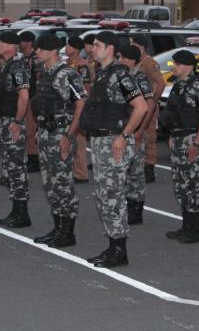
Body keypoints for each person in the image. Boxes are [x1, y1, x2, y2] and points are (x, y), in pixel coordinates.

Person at [79, 31, 148, 268]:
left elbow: (141, 106)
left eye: (97, 45)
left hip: (113, 142)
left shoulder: (120, 75)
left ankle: (119, 251)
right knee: (104, 196)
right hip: (101, 142)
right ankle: (113, 246)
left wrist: (125, 135)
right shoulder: (103, 73)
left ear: (110, 48)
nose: (92, 48)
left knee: (113, 196)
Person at [30, 34, 87, 248]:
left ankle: (67, 233)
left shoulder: (68, 74)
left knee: (63, 184)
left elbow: (81, 104)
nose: (37, 52)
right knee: (50, 183)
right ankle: (57, 228)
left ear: (54, 51)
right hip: (47, 132)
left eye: (41, 49)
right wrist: (40, 128)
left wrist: (70, 136)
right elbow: (44, 105)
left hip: (61, 134)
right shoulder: (45, 73)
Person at [162, 49, 199, 243]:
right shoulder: (178, 85)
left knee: (192, 186)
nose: (173, 66)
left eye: (177, 64)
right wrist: (171, 135)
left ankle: (195, 230)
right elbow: (174, 113)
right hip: (178, 138)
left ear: (189, 66)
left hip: (191, 138)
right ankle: (186, 226)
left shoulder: (198, 86)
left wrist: (197, 143)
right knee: (181, 186)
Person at [0, 30, 32, 228]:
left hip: (12, 122)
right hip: (4, 121)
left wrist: (17, 121)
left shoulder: (17, 68)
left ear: (11, 47)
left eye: (1, 42)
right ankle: (16, 211)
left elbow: (24, 96)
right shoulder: (3, 66)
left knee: (16, 168)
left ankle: (22, 214)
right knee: (10, 167)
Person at [117, 44, 156, 225]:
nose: (120, 60)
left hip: (136, 131)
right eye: (119, 57)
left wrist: (141, 130)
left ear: (132, 60)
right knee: (121, 172)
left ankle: (136, 209)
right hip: (122, 130)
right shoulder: (120, 76)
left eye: (123, 58)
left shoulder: (140, 78)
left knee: (136, 173)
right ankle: (125, 206)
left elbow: (149, 105)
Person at [130, 34, 166, 184]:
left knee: (149, 137)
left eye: (133, 44)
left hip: (148, 105)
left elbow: (161, 83)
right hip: (139, 106)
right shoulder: (138, 62)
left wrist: (153, 102)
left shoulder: (149, 63)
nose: (131, 47)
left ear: (141, 47)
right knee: (139, 136)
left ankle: (149, 168)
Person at [66, 35, 92, 182]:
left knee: (79, 141)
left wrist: (84, 110)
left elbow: (86, 88)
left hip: (79, 107)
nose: (66, 48)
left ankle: (81, 173)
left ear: (75, 49)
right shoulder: (68, 63)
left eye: (68, 45)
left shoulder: (82, 66)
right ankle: (72, 170)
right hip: (69, 107)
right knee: (69, 139)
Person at [19, 30, 42, 172]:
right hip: (25, 97)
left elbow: (39, 79)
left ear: (28, 43)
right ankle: (31, 157)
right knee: (27, 131)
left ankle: (35, 160)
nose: (19, 44)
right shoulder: (23, 58)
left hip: (32, 98)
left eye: (21, 41)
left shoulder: (35, 59)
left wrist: (36, 99)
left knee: (31, 130)